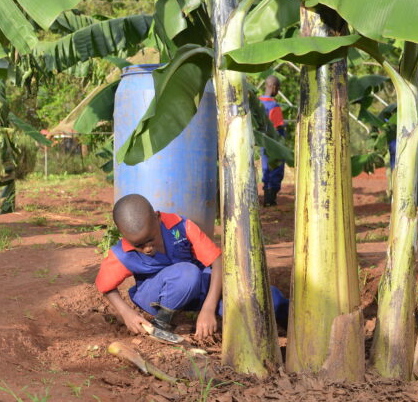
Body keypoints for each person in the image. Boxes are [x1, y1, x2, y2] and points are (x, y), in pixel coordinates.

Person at [95, 194, 289, 341]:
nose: (147, 249)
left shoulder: (181, 227)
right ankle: (162, 323)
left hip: (198, 290)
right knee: (187, 272)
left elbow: (217, 261)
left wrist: (208, 308)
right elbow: (105, 286)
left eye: (150, 240)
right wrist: (126, 313)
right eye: (139, 245)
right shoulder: (121, 253)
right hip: (157, 295)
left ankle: (291, 324)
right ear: (124, 235)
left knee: (266, 296)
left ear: (157, 218)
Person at [259, 75, 287, 207]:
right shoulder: (274, 105)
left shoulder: (258, 102)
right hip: (274, 143)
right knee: (276, 168)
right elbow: (277, 125)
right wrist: (284, 125)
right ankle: (271, 199)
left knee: (266, 168)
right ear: (274, 87)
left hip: (262, 142)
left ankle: (266, 196)